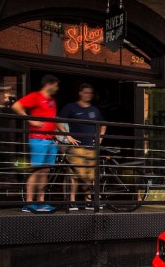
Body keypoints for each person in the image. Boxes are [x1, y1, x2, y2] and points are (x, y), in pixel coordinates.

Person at [11, 75, 60, 213]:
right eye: (56, 85)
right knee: (36, 170)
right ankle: (28, 203)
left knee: (45, 171)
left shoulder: (52, 101)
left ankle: (41, 202)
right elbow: (16, 106)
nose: (57, 88)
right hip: (38, 139)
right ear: (49, 84)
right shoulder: (35, 96)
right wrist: (30, 120)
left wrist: (62, 135)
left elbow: (54, 119)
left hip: (51, 140)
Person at [57, 83, 106, 210]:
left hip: (91, 147)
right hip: (76, 146)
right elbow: (57, 121)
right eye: (85, 92)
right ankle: (71, 201)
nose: (88, 95)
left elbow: (104, 124)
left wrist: (100, 137)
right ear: (80, 93)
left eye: (90, 93)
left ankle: (88, 201)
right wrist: (67, 136)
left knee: (90, 175)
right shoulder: (71, 107)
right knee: (74, 175)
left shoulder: (94, 110)